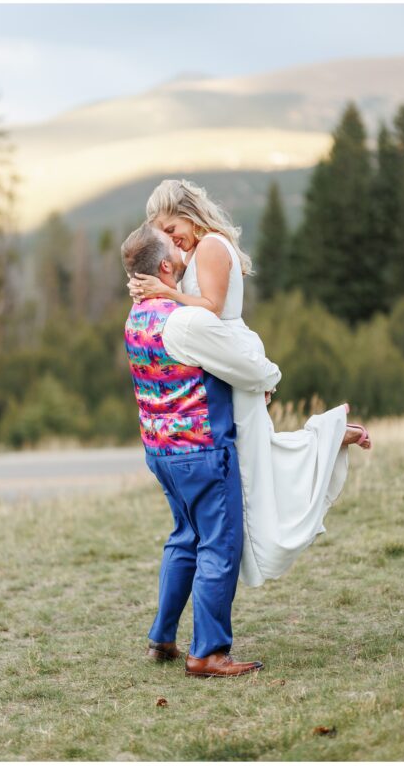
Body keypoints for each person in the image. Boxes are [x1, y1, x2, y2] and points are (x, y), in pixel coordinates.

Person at [129, 179, 371, 587]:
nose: (172, 241)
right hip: (220, 360)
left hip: (226, 359)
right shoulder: (199, 249)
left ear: (188, 213)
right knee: (255, 457)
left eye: (172, 230)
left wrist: (162, 292)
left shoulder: (208, 246)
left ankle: (327, 438)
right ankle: (328, 437)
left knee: (253, 465)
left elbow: (212, 307)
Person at [121, 222, 280, 677]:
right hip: (202, 449)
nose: (183, 247)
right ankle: (208, 653)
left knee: (184, 538)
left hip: (160, 451)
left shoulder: (136, 317)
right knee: (219, 545)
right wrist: (270, 379)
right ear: (167, 266)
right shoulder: (185, 321)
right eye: (174, 245)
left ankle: (162, 638)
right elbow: (245, 366)